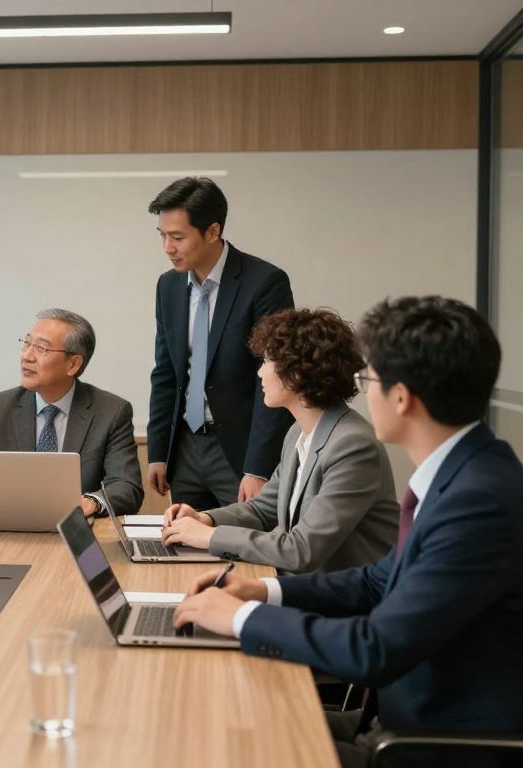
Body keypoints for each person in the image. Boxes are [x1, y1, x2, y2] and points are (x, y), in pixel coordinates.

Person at [172, 296, 523, 767]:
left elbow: (375, 648)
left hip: (431, 745)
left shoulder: (478, 500)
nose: (360, 392)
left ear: (401, 397)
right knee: (214, 721)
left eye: (368, 379)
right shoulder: (462, 477)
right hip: (389, 720)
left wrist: (241, 619)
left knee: (219, 750)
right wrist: (261, 590)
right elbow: (377, 581)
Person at [160, 308, 398, 573]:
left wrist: (209, 537)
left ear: (297, 372)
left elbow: (301, 550)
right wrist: (204, 519)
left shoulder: (353, 446)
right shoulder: (297, 433)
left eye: (267, 361)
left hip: (342, 595)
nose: (260, 373)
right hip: (304, 586)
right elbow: (262, 510)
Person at [146, 177, 294, 510]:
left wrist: (258, 467)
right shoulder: (168, 286)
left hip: (239, 452)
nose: (167, 248)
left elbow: (277, 374)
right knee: (185, 537)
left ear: (213, 231)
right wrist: (158, 451)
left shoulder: (264, 283)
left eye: (177, 237)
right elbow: (166, 371)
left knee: (245, 539)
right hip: (184, 448)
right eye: (162, 236)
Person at [0, 308, 143, 518]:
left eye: (41, 348)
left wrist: (91, 502)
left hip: (77, 530)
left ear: (73, 364)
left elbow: (126, 486)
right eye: (27, 343)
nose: (26, 356)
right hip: (10, 528)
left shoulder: (111, 412)